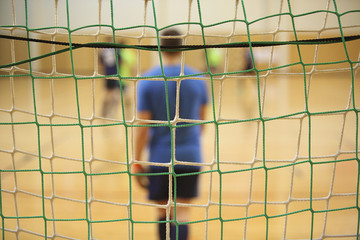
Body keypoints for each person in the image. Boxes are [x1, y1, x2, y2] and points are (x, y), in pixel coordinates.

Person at [133, 29, 208, 240]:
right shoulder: (199, 79)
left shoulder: (148, 81)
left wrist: (137, 161)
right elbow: (201, 124)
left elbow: (142, 126)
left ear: (159, 47)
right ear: (182, 47)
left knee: (164, 212)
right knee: (182, 213)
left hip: (160, 159)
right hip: (190, 158)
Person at [99, 38, 125, 117]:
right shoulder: (116, 50)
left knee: (108, 93)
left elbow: (100, 62)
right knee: (113, 93)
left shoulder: (103, 51)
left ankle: (104, 112)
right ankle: (110, 112)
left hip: (107, 74)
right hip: (114, 74)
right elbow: (120, 61)